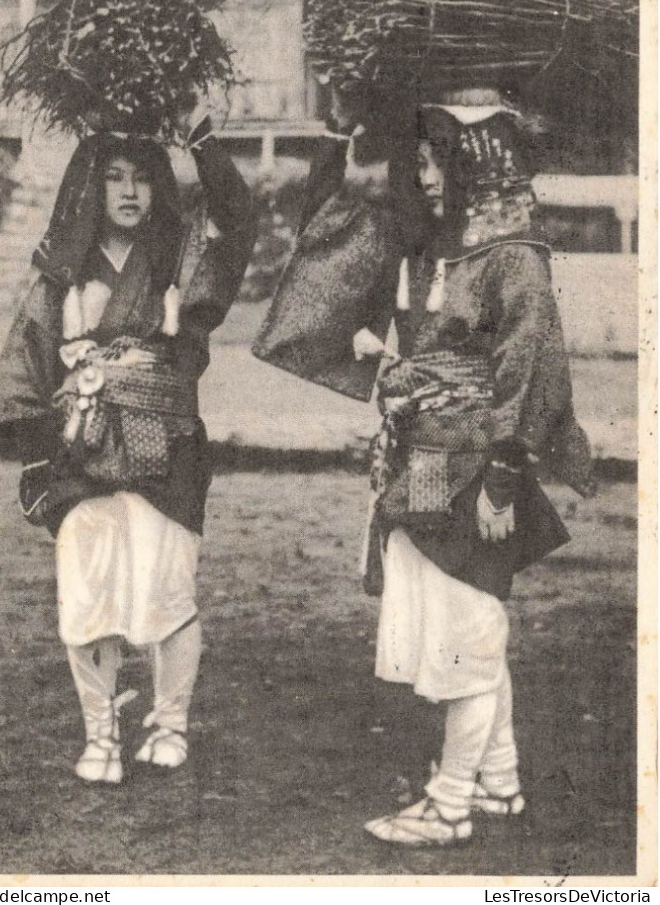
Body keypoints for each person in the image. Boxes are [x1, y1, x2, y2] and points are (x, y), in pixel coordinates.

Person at [254, 86, 595, 846]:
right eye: (420, 160)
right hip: (420, 465)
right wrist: (339, 142)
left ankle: (448, 803)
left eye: (441, 157)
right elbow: (326, 239)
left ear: (479, 159)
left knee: (467, 628)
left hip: (478, 468)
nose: (428, 174)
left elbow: (526, 370)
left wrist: (503, 478)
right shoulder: (428, 250)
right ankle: (498, 781)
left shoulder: (513, 258)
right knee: (466, 622)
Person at [0, 123, 256, 784]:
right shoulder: (63, 267)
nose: (130, 190)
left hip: (165, 448)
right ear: (90, 184)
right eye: (114, 176)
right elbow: (28, 355)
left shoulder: (179, 254)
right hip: (82, 450)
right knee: (87, 596)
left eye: (141, 175)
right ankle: (100, 732)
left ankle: (168, 722)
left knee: (167, 588)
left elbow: (237, 223)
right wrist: (34, 453)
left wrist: (200, 140)